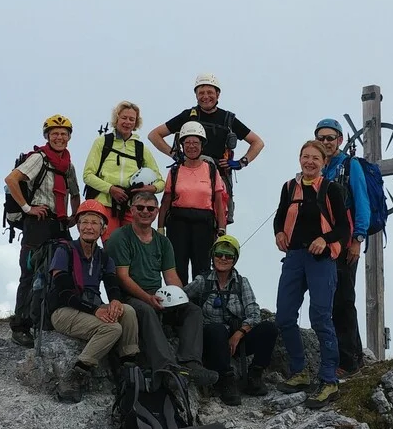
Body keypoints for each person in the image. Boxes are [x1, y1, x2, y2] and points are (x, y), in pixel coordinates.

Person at [106, 191, 217, 387]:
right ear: (132, 210)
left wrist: (179, 297)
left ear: (157, 212)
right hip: (129, 296)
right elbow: (122, 277)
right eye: (140, 207)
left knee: (192, 310)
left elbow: (171, 275)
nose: (145, 212)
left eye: (150, 208)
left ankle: (190, 362)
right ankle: (165, 368)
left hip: (157, 294)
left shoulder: (163, 242)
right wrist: (148, 298)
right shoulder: (120, 237)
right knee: (147, 311)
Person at [272, 140, 351, 409]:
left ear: (323, 162)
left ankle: (329, 379)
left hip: (321, 260)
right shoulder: (288, 187)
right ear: (299, 159)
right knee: (284, 315)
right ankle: (300, 372)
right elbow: (280, 216)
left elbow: (343, 228)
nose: (309, 162)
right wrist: (279, 233)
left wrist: (324, 239)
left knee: (320, 317)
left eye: (315, 158)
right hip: (294, 257)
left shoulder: (332, 189)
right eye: (305, 156)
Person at [45, 200, 141, 403]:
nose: (89, 227)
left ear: (103, 228)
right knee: (112, 329)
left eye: (94, 223)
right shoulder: (65, 251)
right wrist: (95, 310)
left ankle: (128, 365)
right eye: (84, 222)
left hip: (91, 307)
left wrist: (114, 301)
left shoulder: (103, 257)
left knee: (128, 312)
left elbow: (112, 284)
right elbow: (63, 292)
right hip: (63, 310)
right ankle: (76, 374)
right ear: (78, 226)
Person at [146, 73, 265, 224]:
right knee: (181, 215)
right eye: (201, 93)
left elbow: (257, 142)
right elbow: (154, 135)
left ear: (218, 94)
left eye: (210, 92)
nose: (205, 97)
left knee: (218, 223)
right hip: (187, 177)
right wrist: (175, 155)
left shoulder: (227, 119)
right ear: (195, 95)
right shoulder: (188, 115)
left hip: (218, 178)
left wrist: (241, 162)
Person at [5, 114, 80, 347]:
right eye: (54, 133)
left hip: (58, 224)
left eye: (63, 134)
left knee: (59, 270)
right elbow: (11, 179)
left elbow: (75, 194)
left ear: (69, 137)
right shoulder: (39, 158)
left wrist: (74, 217)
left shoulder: (68, 165)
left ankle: (46, 317)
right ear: (47, 136)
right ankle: (21, 325)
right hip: (37, 222)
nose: (59, 137)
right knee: (30, 270)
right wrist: (28, 208)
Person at [185, 234, 279, 404]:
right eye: (219, 254)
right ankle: (225, 381)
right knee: (217, 330)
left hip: (238, 339)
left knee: (269, 329)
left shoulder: (242, 283)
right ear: (212, 256)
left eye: (228, 256)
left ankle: (255, 376)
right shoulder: (202, 282)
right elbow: (182, 298)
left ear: (235, 259)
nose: (223, 258)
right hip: (212, 340)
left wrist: (240, 333)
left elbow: (254, 313)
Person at [315, 118, 368, 379]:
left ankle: (350, 360)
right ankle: (338, 357)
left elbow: (362, 202)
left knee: (344, 300)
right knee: (329, 301)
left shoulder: (350, 165)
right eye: (321, 138)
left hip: (345, 245)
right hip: (323, 246)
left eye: (330, 137)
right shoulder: (318, 169)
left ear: (340, 139)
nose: (325, 142)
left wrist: (357, 239)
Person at [82, 101, 165, 241]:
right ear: (117, 119)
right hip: (105, 204)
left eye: (132, 119)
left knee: (134, 247)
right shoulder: (102, 142)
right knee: (112, 246)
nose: (127, 122)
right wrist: (111, 189)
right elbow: (87, 175)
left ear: (136, 122)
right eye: (124, 118)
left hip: (131, 205)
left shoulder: (141, 148)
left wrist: (149, 188)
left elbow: (161, 182)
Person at [158, 121, 229, 285]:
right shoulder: (175, 171)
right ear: (181, 145)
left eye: (195, 142)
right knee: (177, 267)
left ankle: (200, 307)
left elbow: (218, 202)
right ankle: (177, 305)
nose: (191, 146)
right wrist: (160, 229)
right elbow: (166, 201)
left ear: (202, 145)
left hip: (203, 224)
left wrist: (221, 229)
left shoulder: (211, 170)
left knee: (202, 268)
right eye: (187, 142)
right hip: (178, 223)